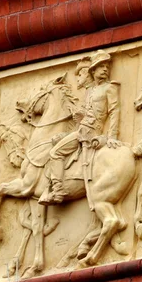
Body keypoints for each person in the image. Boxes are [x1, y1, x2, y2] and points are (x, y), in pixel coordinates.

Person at [39, 50, 121, 205]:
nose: (105, 69)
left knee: (55, 153)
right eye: (101, 66)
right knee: (56, 140)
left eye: (107, 66)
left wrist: (112, 137)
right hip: (81, 129)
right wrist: (79, 113)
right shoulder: (91, 90)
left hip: (91, 132)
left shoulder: (110, 88)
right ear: (93, 70)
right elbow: (88, 111)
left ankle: (58, 190)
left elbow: (114, 112)